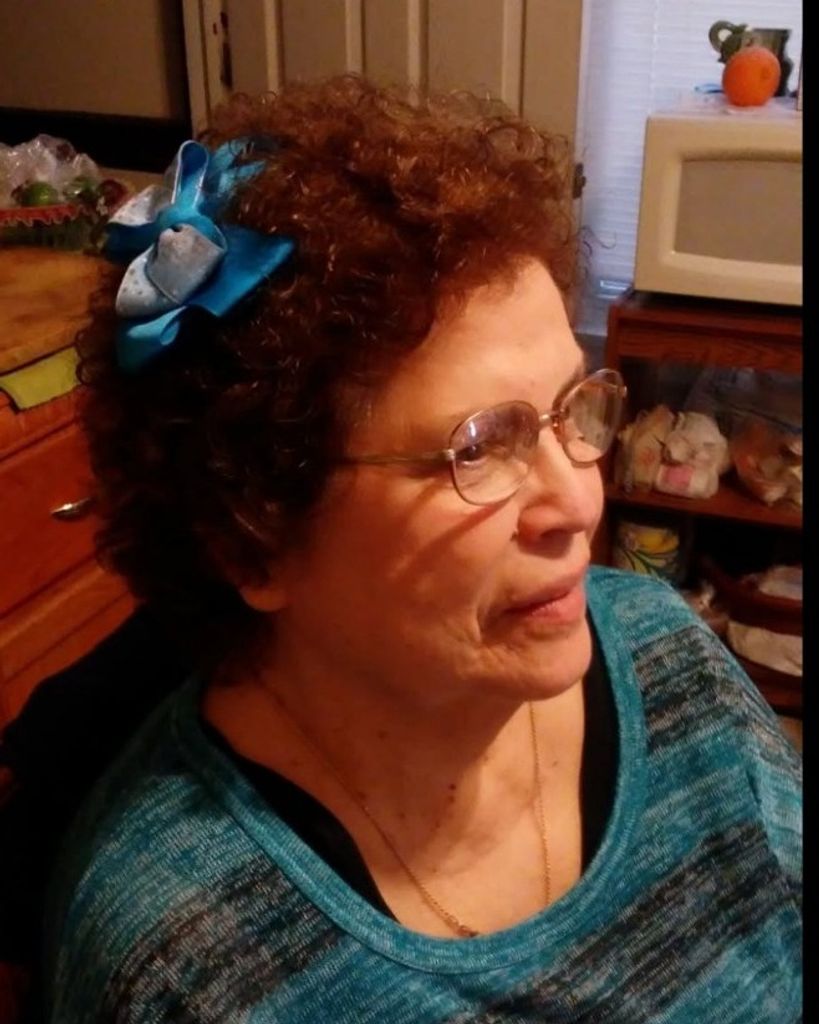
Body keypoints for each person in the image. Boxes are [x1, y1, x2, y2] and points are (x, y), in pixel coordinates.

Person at [39, 75, 800, 1022]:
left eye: (570, 409)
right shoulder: (188, 963)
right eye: (477, 447)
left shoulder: (669, 657)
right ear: (253, 541)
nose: (576, 501)